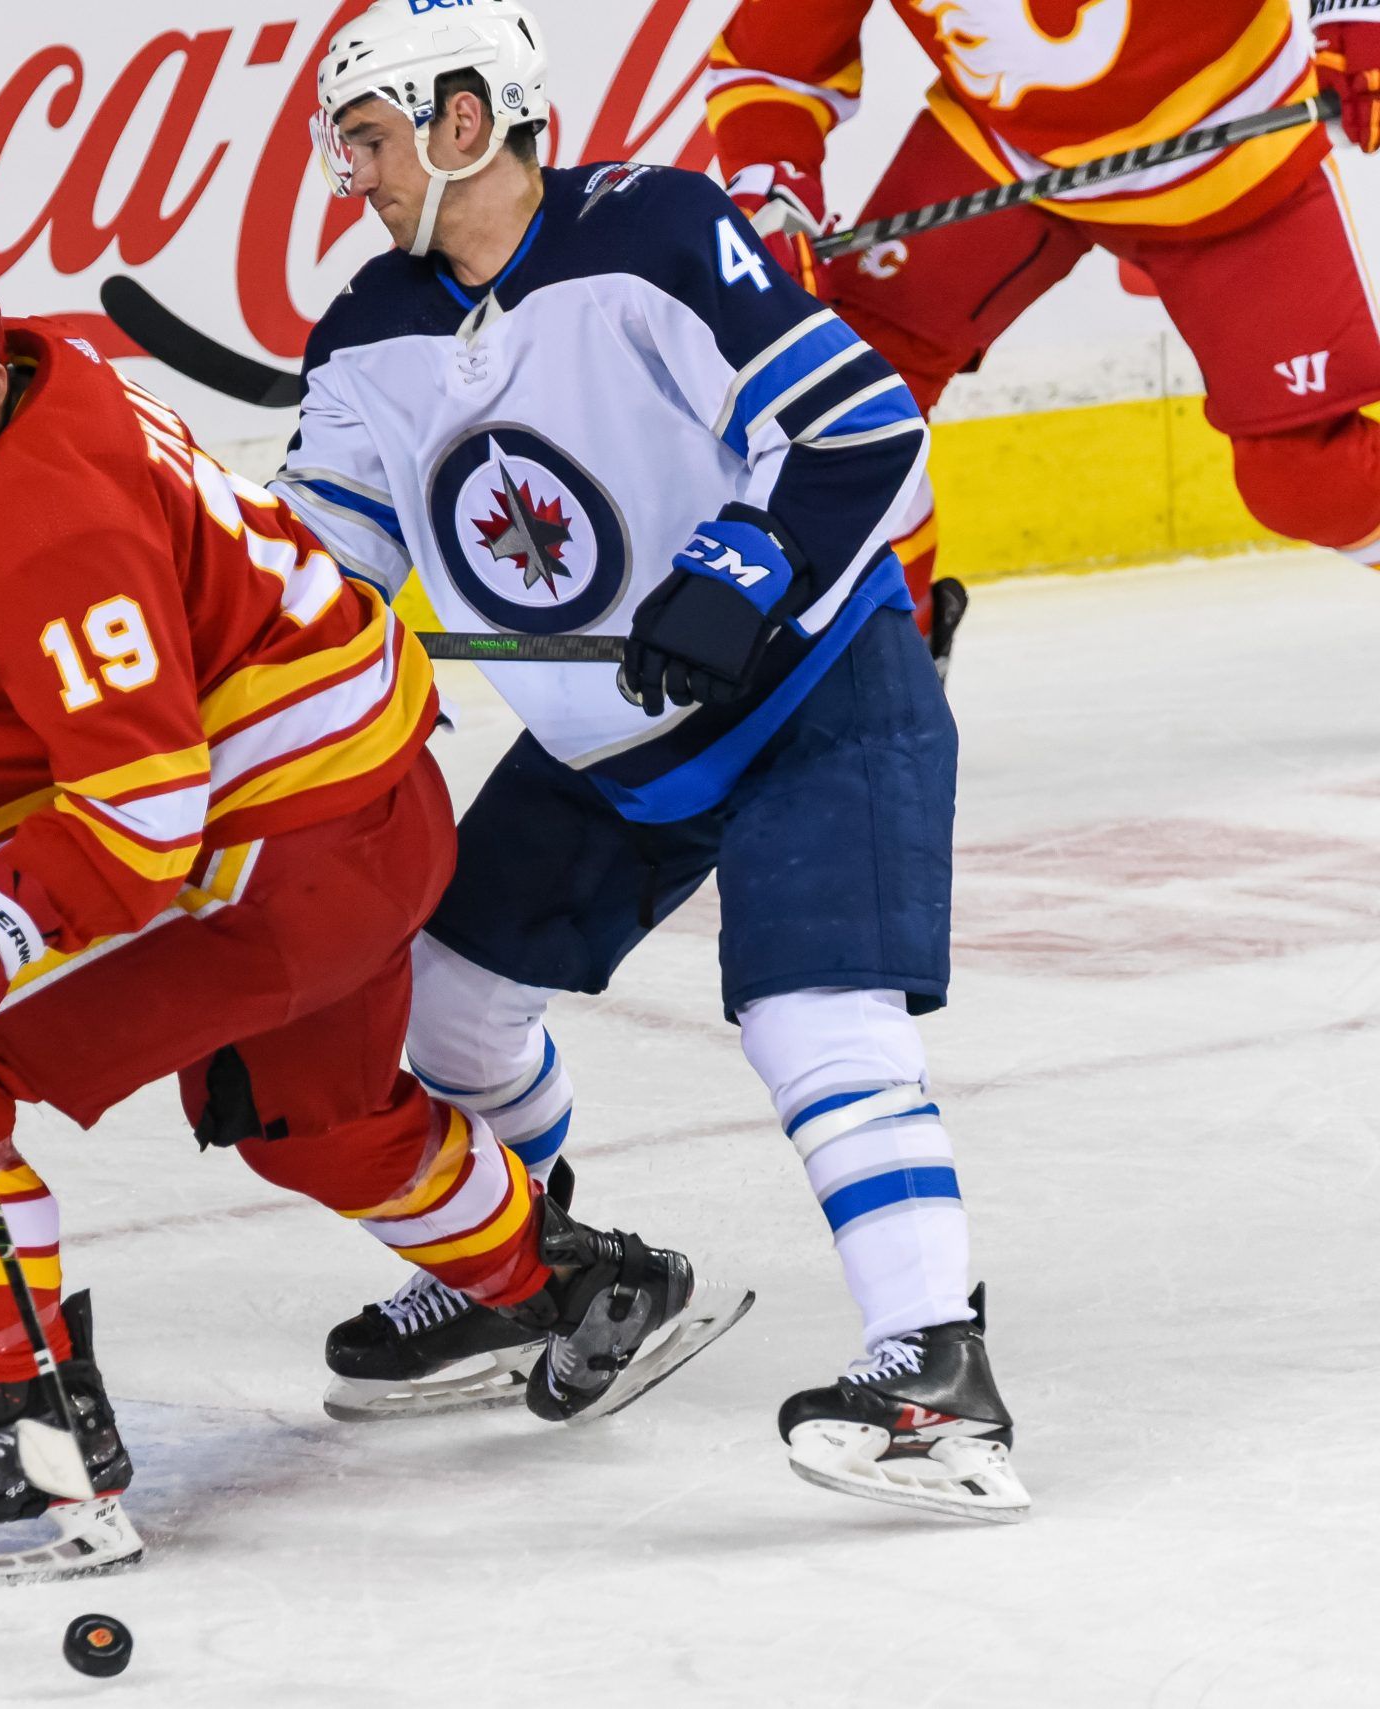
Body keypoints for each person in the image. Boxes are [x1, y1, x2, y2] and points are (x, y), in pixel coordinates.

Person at [0, 240, 746, 1588]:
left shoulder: (52, 533)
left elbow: (137, 826)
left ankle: (37, 1450)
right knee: (319, 1126)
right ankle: (572, 1286)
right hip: (366, 813)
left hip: (275, 860)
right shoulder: (23, 367)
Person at [270, 0, 1024, 1523]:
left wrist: (744, 569)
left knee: (815, 1017)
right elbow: (317, 571)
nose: (347, 171)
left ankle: (938, 1381)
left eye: (366, 137)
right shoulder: (368, 334)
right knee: (447, 1008)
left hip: (814, 684)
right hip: (608, 740)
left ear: (464, 121)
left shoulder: (663, 234)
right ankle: (528, 1277)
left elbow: (863, 428)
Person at [711, 0, 1380, 664]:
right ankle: (888, 673)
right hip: (1006, 150)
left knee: (1309, 478)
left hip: (1237, 136)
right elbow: (770, 59)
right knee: (837, 396)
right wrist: (772, 187)